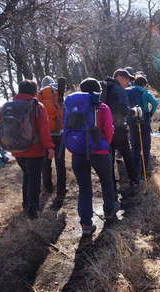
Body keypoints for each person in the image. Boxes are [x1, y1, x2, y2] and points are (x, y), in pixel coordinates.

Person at [63, 78, 119, 235]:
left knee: (84, 188)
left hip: (78, 152)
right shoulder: (102, 107)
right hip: (99, 152)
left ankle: (86, 224)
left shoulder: (70, 107)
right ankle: (109, 212)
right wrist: (104, 144)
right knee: (107, 181)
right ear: (97, 91)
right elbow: (108, 131)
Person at [0, 80, 55, 219]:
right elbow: (44, 129)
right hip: (35, 149)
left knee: (27, 175)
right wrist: (50, 147)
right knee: (34, 178)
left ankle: (25, 204)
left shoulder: (9, 106)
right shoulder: (37, 106)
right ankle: (33, 210)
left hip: (16, 148)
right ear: (34, 91)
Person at [103, 69, 141, 194]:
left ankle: (111, 188)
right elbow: (123, 109)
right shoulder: (119, 90)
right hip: (118, 128)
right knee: (127, 155)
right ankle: (135, 180)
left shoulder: (105, 87)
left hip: (105, 129)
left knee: (110, 158)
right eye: (126, 78)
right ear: (118, 77)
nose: (128, 81)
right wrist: (134, 111)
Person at [38, 76, 67, 208]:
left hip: (44, 137)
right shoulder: (58, 95)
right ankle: (61, 191)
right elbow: (65, 112)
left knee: (45, 163)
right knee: (60, 163)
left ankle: (48, 188)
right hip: (59, 135)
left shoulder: (39, 97)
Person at [127, 76, 158, 181]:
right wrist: (150, 113)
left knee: (135, 147)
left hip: (131, 121)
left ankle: (136, 173)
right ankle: (144, 172)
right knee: (145, 147)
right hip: (144, 122)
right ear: (145, 84)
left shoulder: (126, 91)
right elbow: (155, 103)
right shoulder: (145, 92)